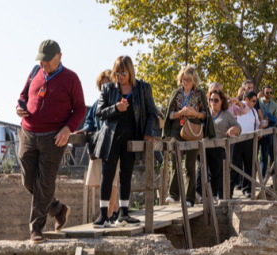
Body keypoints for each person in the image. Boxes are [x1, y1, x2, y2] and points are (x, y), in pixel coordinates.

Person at [16, 40, 86, 244]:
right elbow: (22, 96)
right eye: (41, 60)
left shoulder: (71, 78)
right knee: (28, 181)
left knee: (44, 183)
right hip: (28, 133)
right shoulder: (35, 72)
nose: (43, 64)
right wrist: (19, 107)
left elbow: (80, 109)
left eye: (47, 60)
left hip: (53, 138)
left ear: (59, 57)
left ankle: (36, 229)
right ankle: (57, 208)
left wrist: (67, 128)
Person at [93, 55, 158, 227]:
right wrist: (116, 108)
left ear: (130, 72)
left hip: (131, 137)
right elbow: (99, 113)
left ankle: (124, 213)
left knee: (127, 174)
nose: (120, 76)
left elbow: (152, 113)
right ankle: (103, 215)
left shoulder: (142, 88)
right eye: (117, 72)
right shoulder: (108, 89)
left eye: (123, 72)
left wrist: (148, 133)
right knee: (107, 174)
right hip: (111, 136)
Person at [163, 66, 215, 207]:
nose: (184, 82)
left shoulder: (199, 93)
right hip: (177, 128)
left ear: (193, 80)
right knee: (175, 159)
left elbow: (205, 114)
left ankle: (189, 198)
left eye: (187, 79)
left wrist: (194, 113)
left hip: (193, 128)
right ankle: (173, 194)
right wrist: (180, 113)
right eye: (183, 79)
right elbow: (170, 114)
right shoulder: (176, 93)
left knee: (190, 164)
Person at [73, 70, 120, 224]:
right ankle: (114, 209)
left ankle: (110, 212)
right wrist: (85, 130)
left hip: (114, 144)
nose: (104, 87)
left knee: (112, 180)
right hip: (99, 144)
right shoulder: (96, 104)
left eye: (107, 83)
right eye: (102, 85)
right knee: (100, 181)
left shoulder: (118, 101)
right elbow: (90, 121)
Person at [196, 88, 241, 200]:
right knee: (201, 169)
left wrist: (233, 129)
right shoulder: (204, 113)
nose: (213, 103)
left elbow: (238, 127)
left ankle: (213, 195)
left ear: (222, 101)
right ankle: (200, 195)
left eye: (216, 100)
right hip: (203, 146)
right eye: (211, 100)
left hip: (218, 148)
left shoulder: (226, 115)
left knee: (215, 173)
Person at [231, 90, 260, 198]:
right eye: (253, 101)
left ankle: (247, 189)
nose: (254, 103)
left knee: (249, 165)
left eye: (255, 101)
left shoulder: (254, 111)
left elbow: (257, 124)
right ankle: (229, 190)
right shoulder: (237, 108)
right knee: (234, 165)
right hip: (237, 140)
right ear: (246, 99)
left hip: (250, 140)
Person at [258, 85, 277, 178]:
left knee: (264, 155)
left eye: (271, 92)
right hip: (256, 130)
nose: (269, 94)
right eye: (267, 93)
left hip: (266, 133)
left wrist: (270, 120)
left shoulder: (274, 105)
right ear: (263, 93)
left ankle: (262, 177)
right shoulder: (258, 102)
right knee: (252, 155)